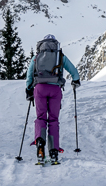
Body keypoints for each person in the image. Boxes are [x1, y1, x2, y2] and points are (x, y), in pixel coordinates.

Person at [25, 34, 80, 162]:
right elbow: (74, 71)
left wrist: (29, 90)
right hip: (55, 89)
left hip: (40, 89)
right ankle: (53, 150)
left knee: (41, 117)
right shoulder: (60, 56)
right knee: (53, 119)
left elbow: (29, 76)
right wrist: (75, 81)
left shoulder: (36, 57)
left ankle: (40, 143)